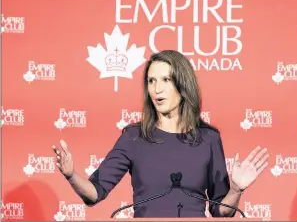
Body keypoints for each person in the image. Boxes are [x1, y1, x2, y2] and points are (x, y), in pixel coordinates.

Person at [52, 50, 269, 218]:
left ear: (183, 85)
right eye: (151, 81)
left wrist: (236, 190)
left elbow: (221, 210)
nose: (157, 89)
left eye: (166, 80)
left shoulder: (209, 139)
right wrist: (71, 175)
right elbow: (94, 193)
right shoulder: (133, 137)